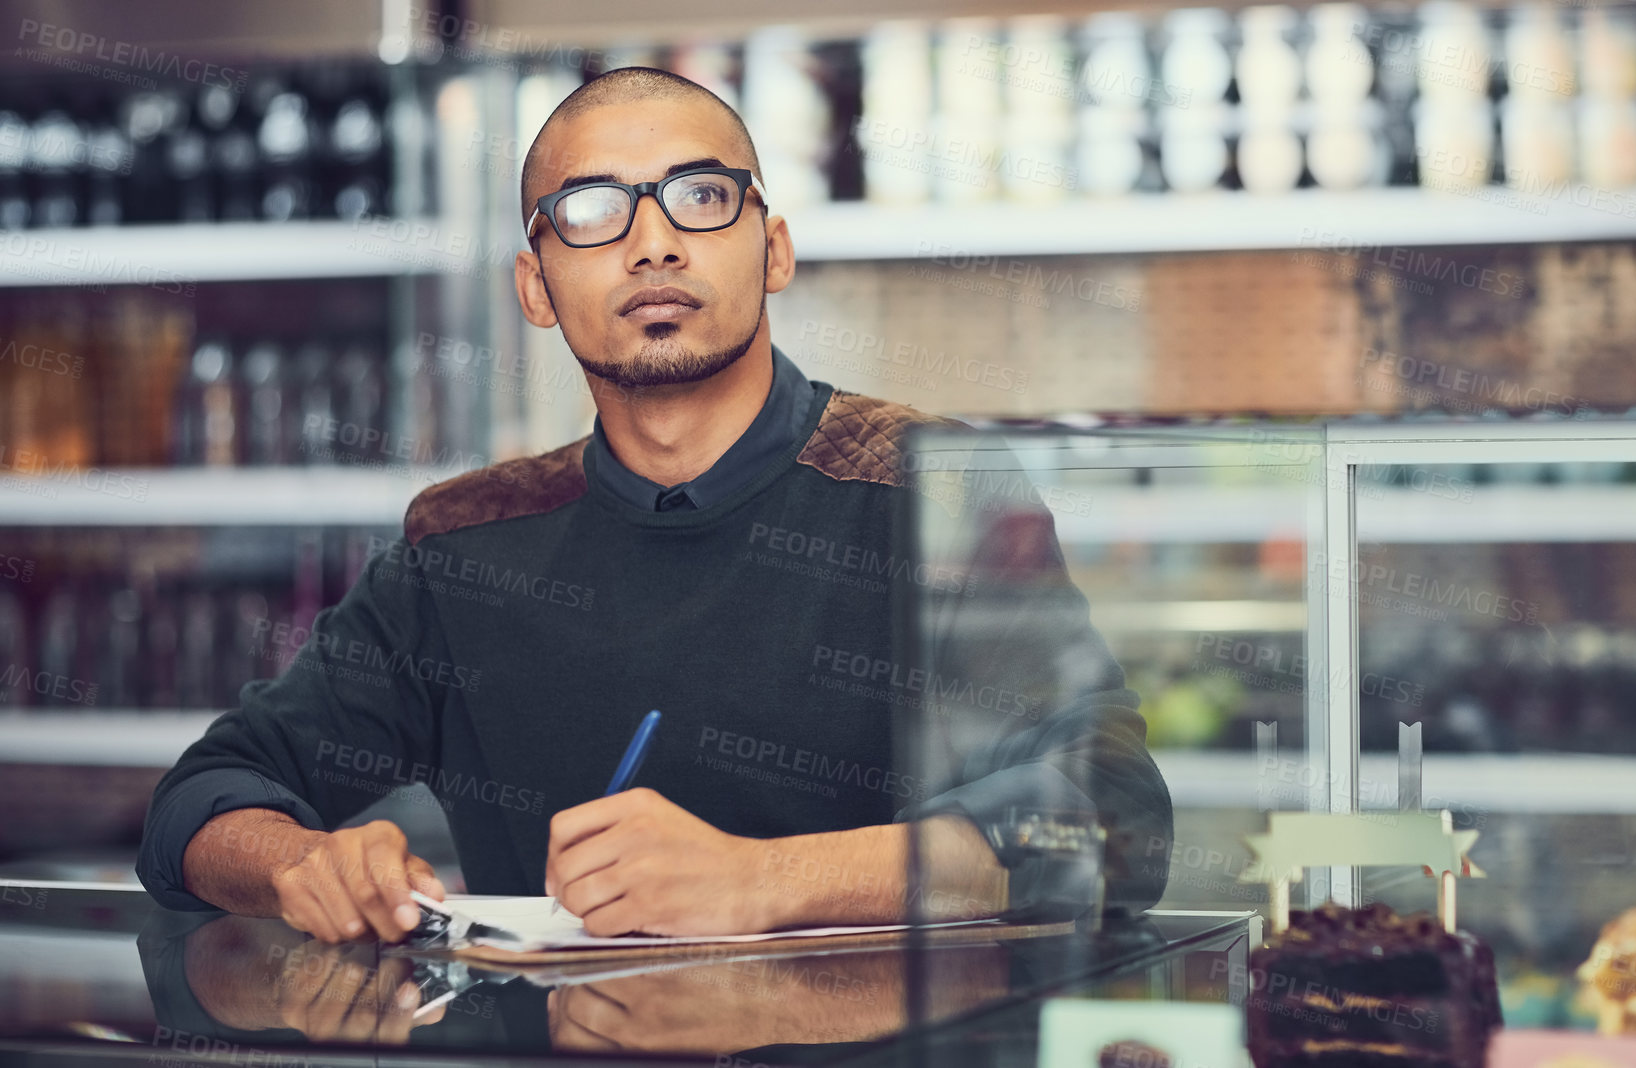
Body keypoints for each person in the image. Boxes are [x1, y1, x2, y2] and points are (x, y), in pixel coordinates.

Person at [136, 67, 1171, 944]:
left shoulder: (924, 490)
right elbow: (201, 797)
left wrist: (763, 884)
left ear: (772, 248)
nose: (653, 245)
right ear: (535, 287)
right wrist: (300, 867)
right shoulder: (465, 542)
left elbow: (1111, 820)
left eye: (700, 197)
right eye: (592, 211)